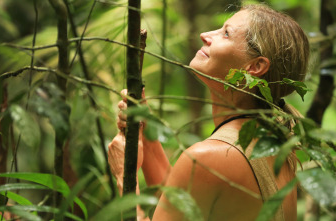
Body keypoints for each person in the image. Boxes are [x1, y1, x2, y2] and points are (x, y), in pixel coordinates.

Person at [108, 4, 309, 221]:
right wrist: (145, 129)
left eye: (225, 33)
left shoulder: (213, 157)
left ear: (255, 67)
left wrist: (124, 176)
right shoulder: (275, 143)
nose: (205, 35)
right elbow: (182, 202)